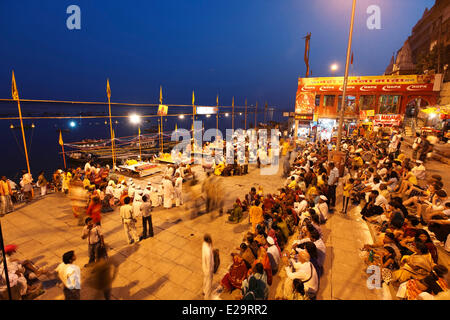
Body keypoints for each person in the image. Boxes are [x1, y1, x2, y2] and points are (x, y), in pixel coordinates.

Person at [202, 234, 214, 299]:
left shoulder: (204, 244)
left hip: (204, 267)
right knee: (209, 284)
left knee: (205, 279)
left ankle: (204, 290)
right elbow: (209, 262)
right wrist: (211, 270)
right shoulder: (208, 251)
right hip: (208, 269)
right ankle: (207, 297)